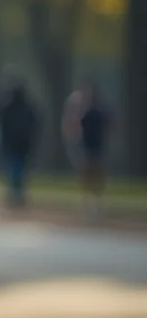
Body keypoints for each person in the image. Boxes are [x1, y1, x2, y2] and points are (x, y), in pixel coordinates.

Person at [63, 79, 113, 217]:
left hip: (97, 145)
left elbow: (109, 123)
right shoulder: (77, 105)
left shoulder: (99, 107)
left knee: (98, 172)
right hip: (84, 145)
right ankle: (88, 200)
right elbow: (71, 124)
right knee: (85, 173)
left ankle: (99, 200)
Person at [0, 81, 40, 209]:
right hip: (21, 145)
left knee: (15, 170)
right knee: (18, 171)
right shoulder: (26, 107)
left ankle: (16, 195)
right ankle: (17, 195)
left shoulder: (11, 107)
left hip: (16, 145)